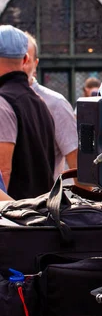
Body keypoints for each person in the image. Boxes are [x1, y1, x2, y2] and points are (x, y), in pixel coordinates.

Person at [0, 25, 55, 199]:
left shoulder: (3, 102)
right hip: (38, 216)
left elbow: (4, 171)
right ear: (25, 59)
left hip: (15, 219)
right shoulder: (40, 102)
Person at [23, 33, 78, 179]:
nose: (19, 65)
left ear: (35, 64)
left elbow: (77, 166)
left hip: (41, 200)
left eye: (24, 58)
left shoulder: (56, 104)